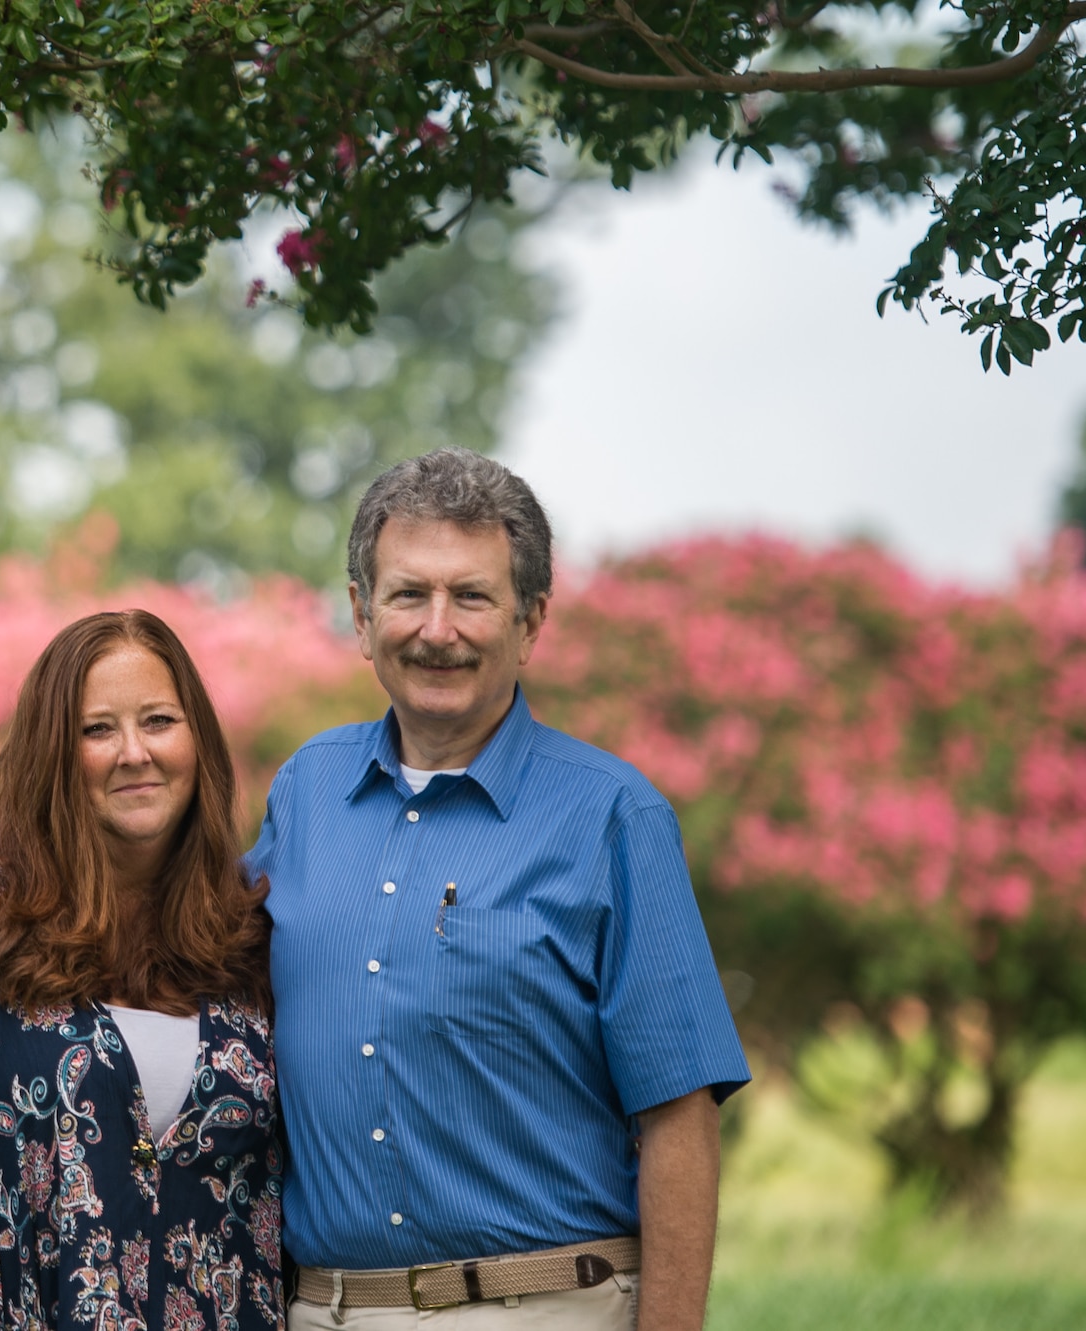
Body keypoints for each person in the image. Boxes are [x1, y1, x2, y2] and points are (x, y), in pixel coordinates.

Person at [248, 449, 751, 1331]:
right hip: (323, 1310)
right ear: (362, 615)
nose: (437, 628)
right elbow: (193, 978)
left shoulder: (613, 817)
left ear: (531, 620)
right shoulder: (304, 793)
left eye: (472, 596)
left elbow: (679, 1115)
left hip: (546, 1307)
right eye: (408, 594)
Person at [0, 610, 285, 1331]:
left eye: (159, 719)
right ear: (53, 751)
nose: (134, 751)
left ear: (199, 739)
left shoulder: (245, 931)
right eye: (97, 729)